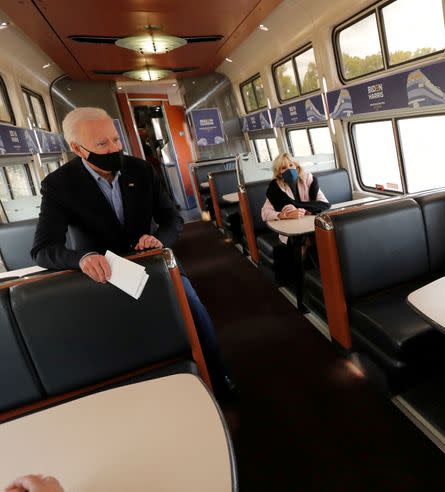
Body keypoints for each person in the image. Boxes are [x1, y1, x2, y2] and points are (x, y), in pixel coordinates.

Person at [29, 107, 236, 401]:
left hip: (153, 262)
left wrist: (158, 239)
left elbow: (172, 219)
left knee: (195, 311)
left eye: (115, 139)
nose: (114, 148)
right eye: (102, 144)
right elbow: (43, 249)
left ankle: (219, 377)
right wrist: (83, 259)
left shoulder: (140, 170)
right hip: (106, 274)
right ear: (77, 148)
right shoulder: (59, 185)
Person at [261, 152, 330, 232]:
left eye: (291, 165)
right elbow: (265, 214)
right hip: (289, 229)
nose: (289, 170)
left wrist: (299, 209)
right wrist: (287, 215)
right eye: (284, 168)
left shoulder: (309, 179)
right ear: (279, 174)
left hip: (311, 225)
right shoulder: (275, 188)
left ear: (296, 166)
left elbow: (324, 204)